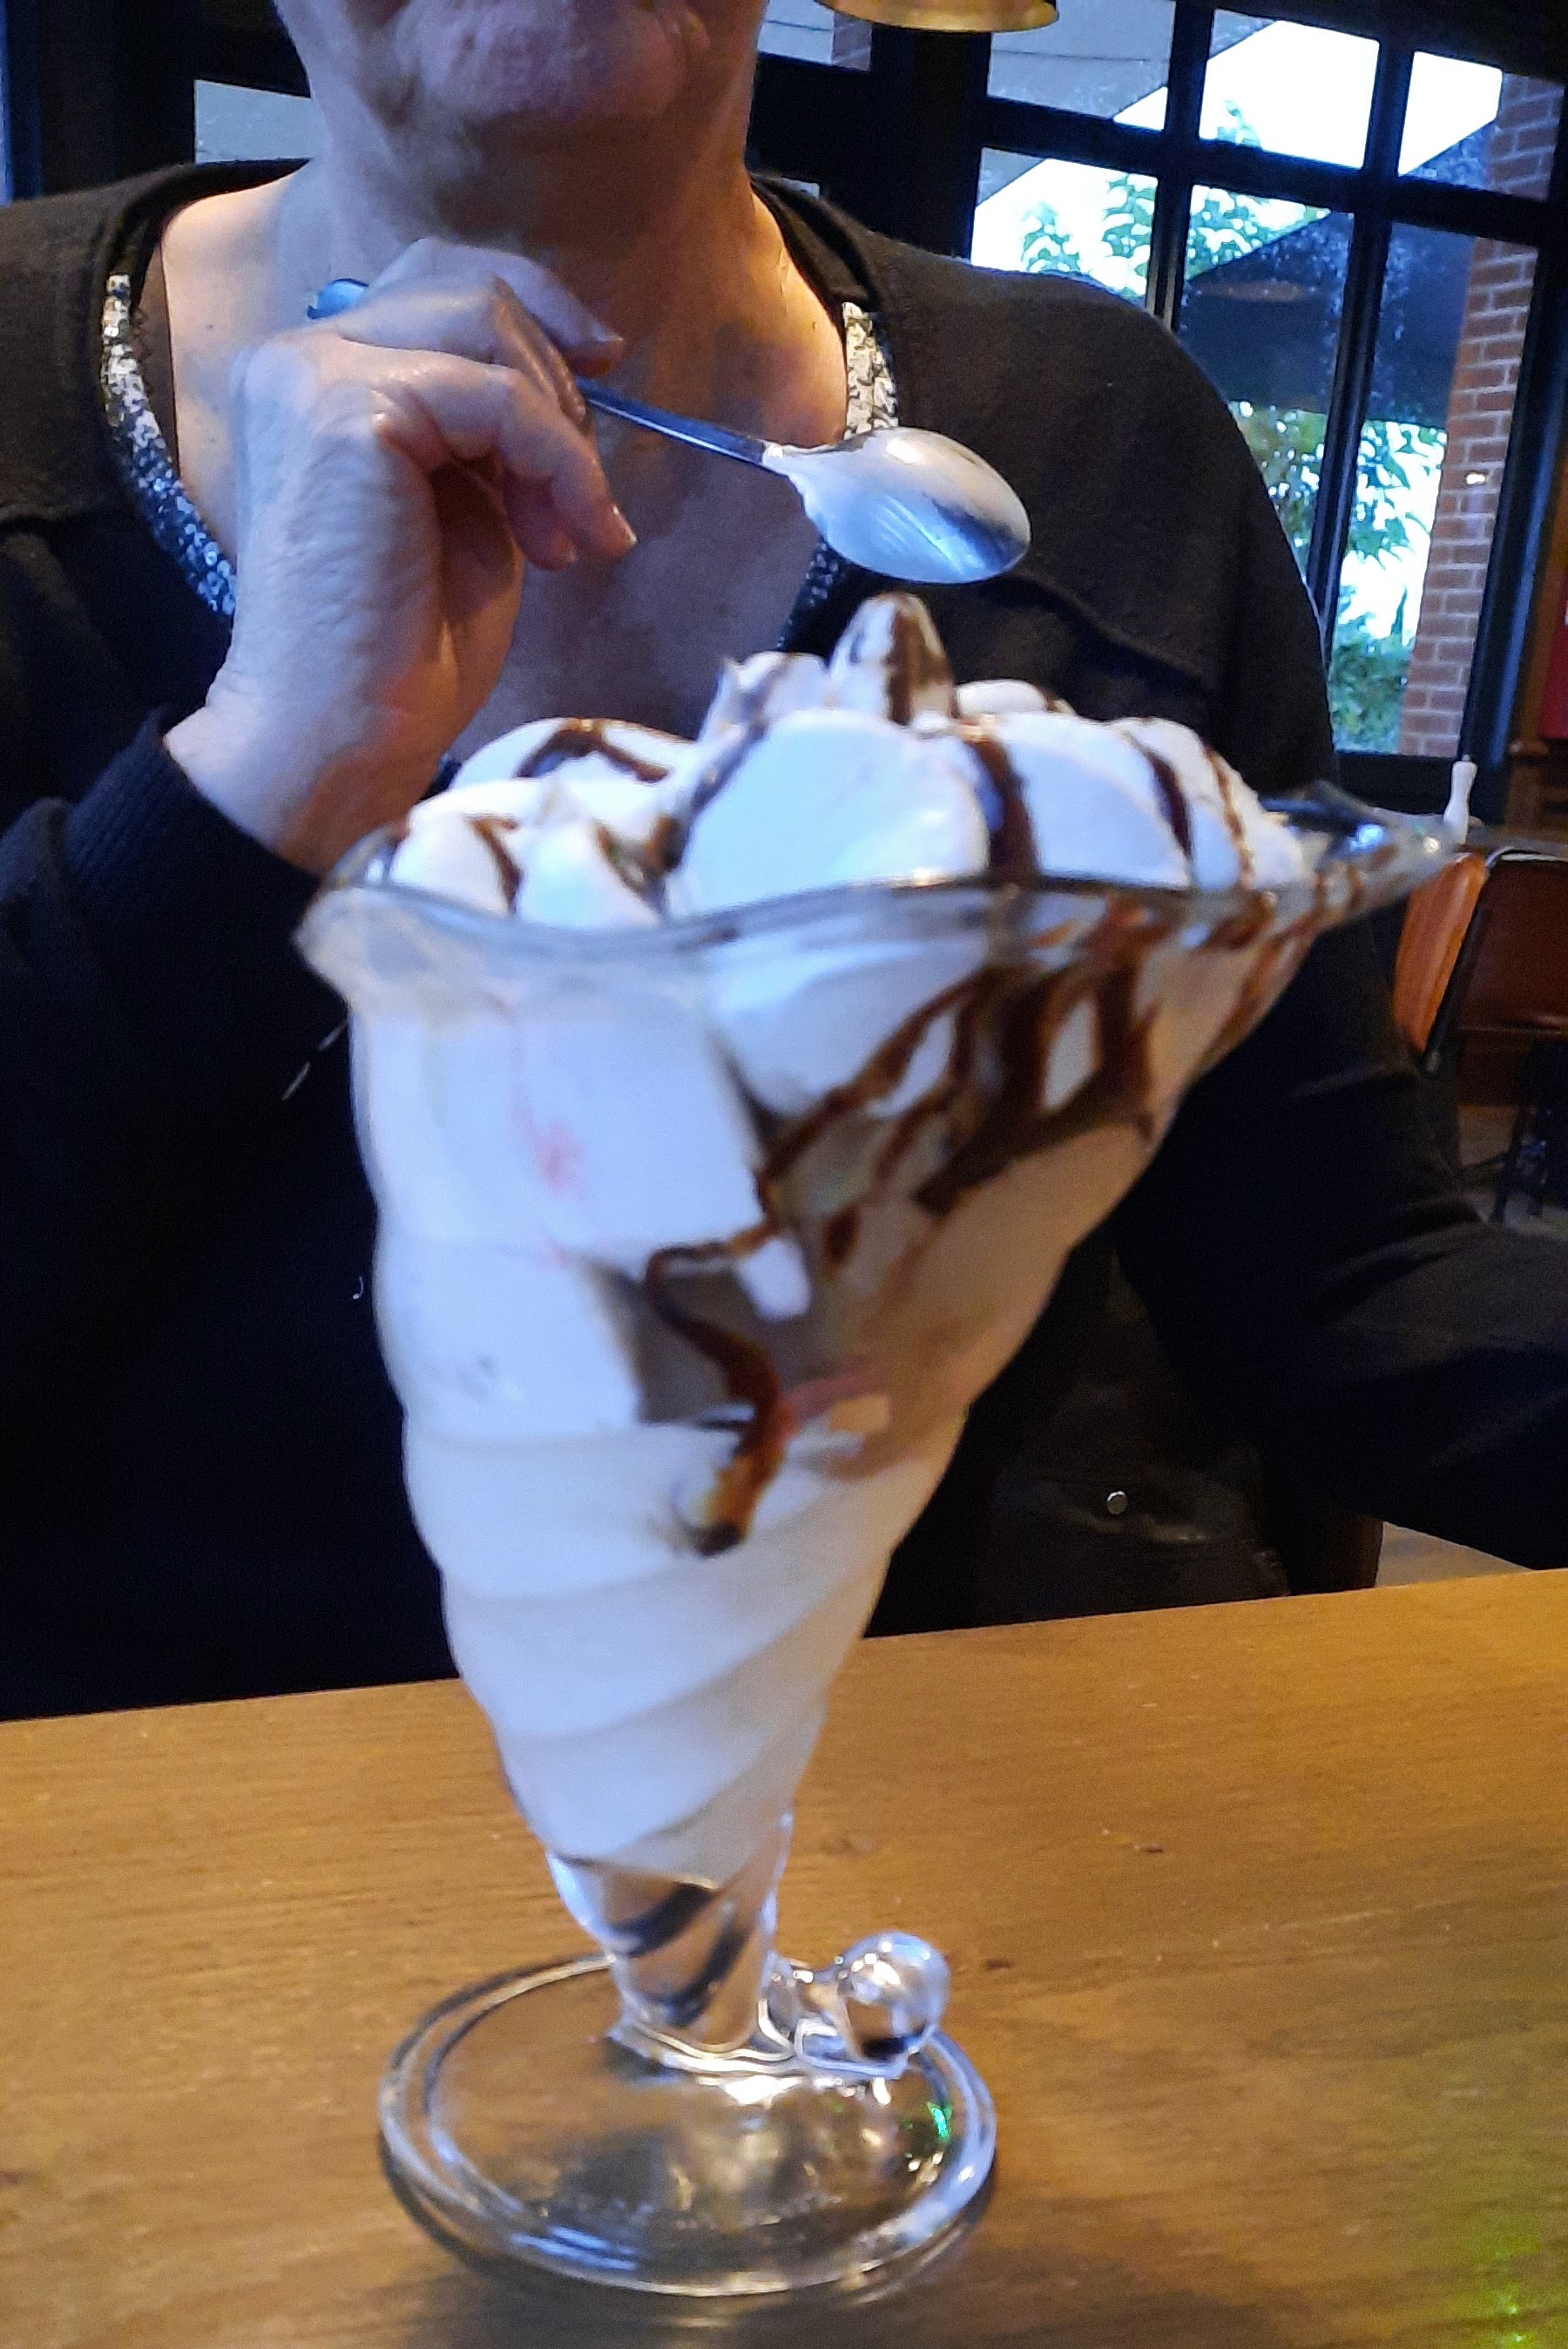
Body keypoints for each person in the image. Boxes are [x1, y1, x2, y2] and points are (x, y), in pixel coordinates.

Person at [1, 0, 1565, 1718]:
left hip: (900, 1788)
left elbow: (1340, 1278)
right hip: (136, 1814)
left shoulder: (1097, 444)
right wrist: (270, 763)